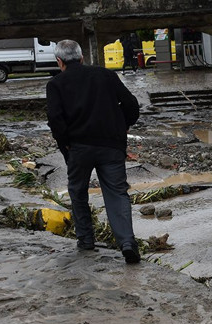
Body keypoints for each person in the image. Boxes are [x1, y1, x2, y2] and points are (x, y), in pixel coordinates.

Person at [46, 39, 141, 263]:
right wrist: (122, 126)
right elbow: (132, 104)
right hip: (111, 146)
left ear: (60, 62)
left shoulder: (56, 84)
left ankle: (86, 240)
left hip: (78, 148)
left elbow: (55, 119)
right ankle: (127, 242)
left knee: (78, 192)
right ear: (81, 58)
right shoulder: (105, 75)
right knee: (117, 193)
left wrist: (66, 143)